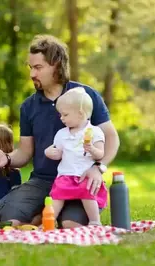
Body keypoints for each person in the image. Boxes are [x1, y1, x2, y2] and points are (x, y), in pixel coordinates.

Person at [0, 34, 120, 228]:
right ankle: (39, 213)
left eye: (38, 67)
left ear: (56, 65)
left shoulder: (86, 96)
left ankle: (48, 215)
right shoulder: (28, 107)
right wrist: (7, 158)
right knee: (10, 219)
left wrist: (98, 168)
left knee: (70, 225)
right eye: (30, 67)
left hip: (80, 180)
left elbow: (111, 138)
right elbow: (25, 152)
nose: (32, 74)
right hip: (42, 182)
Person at [45, 87, 107, 226]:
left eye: (65, 115)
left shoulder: (94, 132)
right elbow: (59, 153)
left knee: (88, 194)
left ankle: (94, 221)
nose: (61, 118)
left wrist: (92, 149)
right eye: (61, 114)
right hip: (65, 175)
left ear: (80, 114)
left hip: (84, 175)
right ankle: (49, 221)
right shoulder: (62, 134)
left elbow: (100, 154)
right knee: (56, 196)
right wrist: (49, 153)